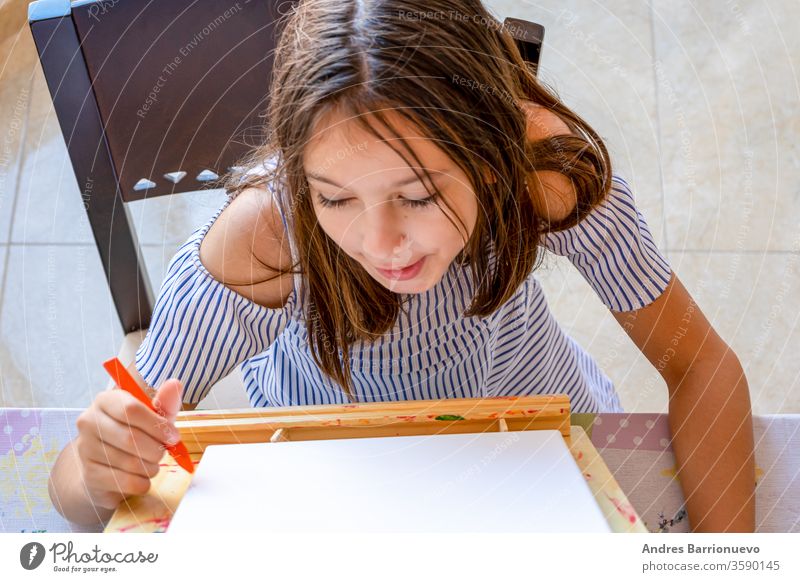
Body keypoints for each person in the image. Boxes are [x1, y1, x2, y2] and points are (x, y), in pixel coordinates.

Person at [48, 0, 755, 531]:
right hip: (329, 463)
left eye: (417, 195)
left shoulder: (544, 169)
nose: (383, 243)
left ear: (490, 153)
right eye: (335, 197)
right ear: (299, 176)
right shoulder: (269, 230)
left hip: (537, 436)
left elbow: (701, 367)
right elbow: (75, 490)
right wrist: (99, 466)